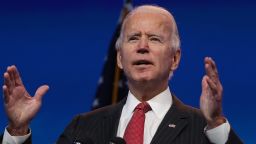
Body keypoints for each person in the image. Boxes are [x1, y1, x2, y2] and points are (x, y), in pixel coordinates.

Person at [1, 5, 242, 144]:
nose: (142, 46)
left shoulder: (204, 129)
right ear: (119, 57)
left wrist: (216, 124)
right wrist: (19, 130)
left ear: (175, 58)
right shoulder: (81, 128)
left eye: (155, 39)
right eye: (134, 38)